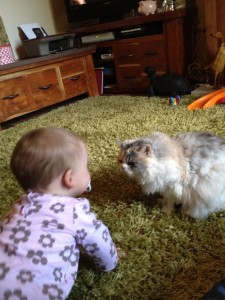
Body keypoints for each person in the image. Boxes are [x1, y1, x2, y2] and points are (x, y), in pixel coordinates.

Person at [0, 127, 118, 300]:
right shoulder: (74, 213)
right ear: (69, 178)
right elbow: (100, 242)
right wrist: (110, 264)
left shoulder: (19, 205)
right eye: (85, 167)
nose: (88, 171)